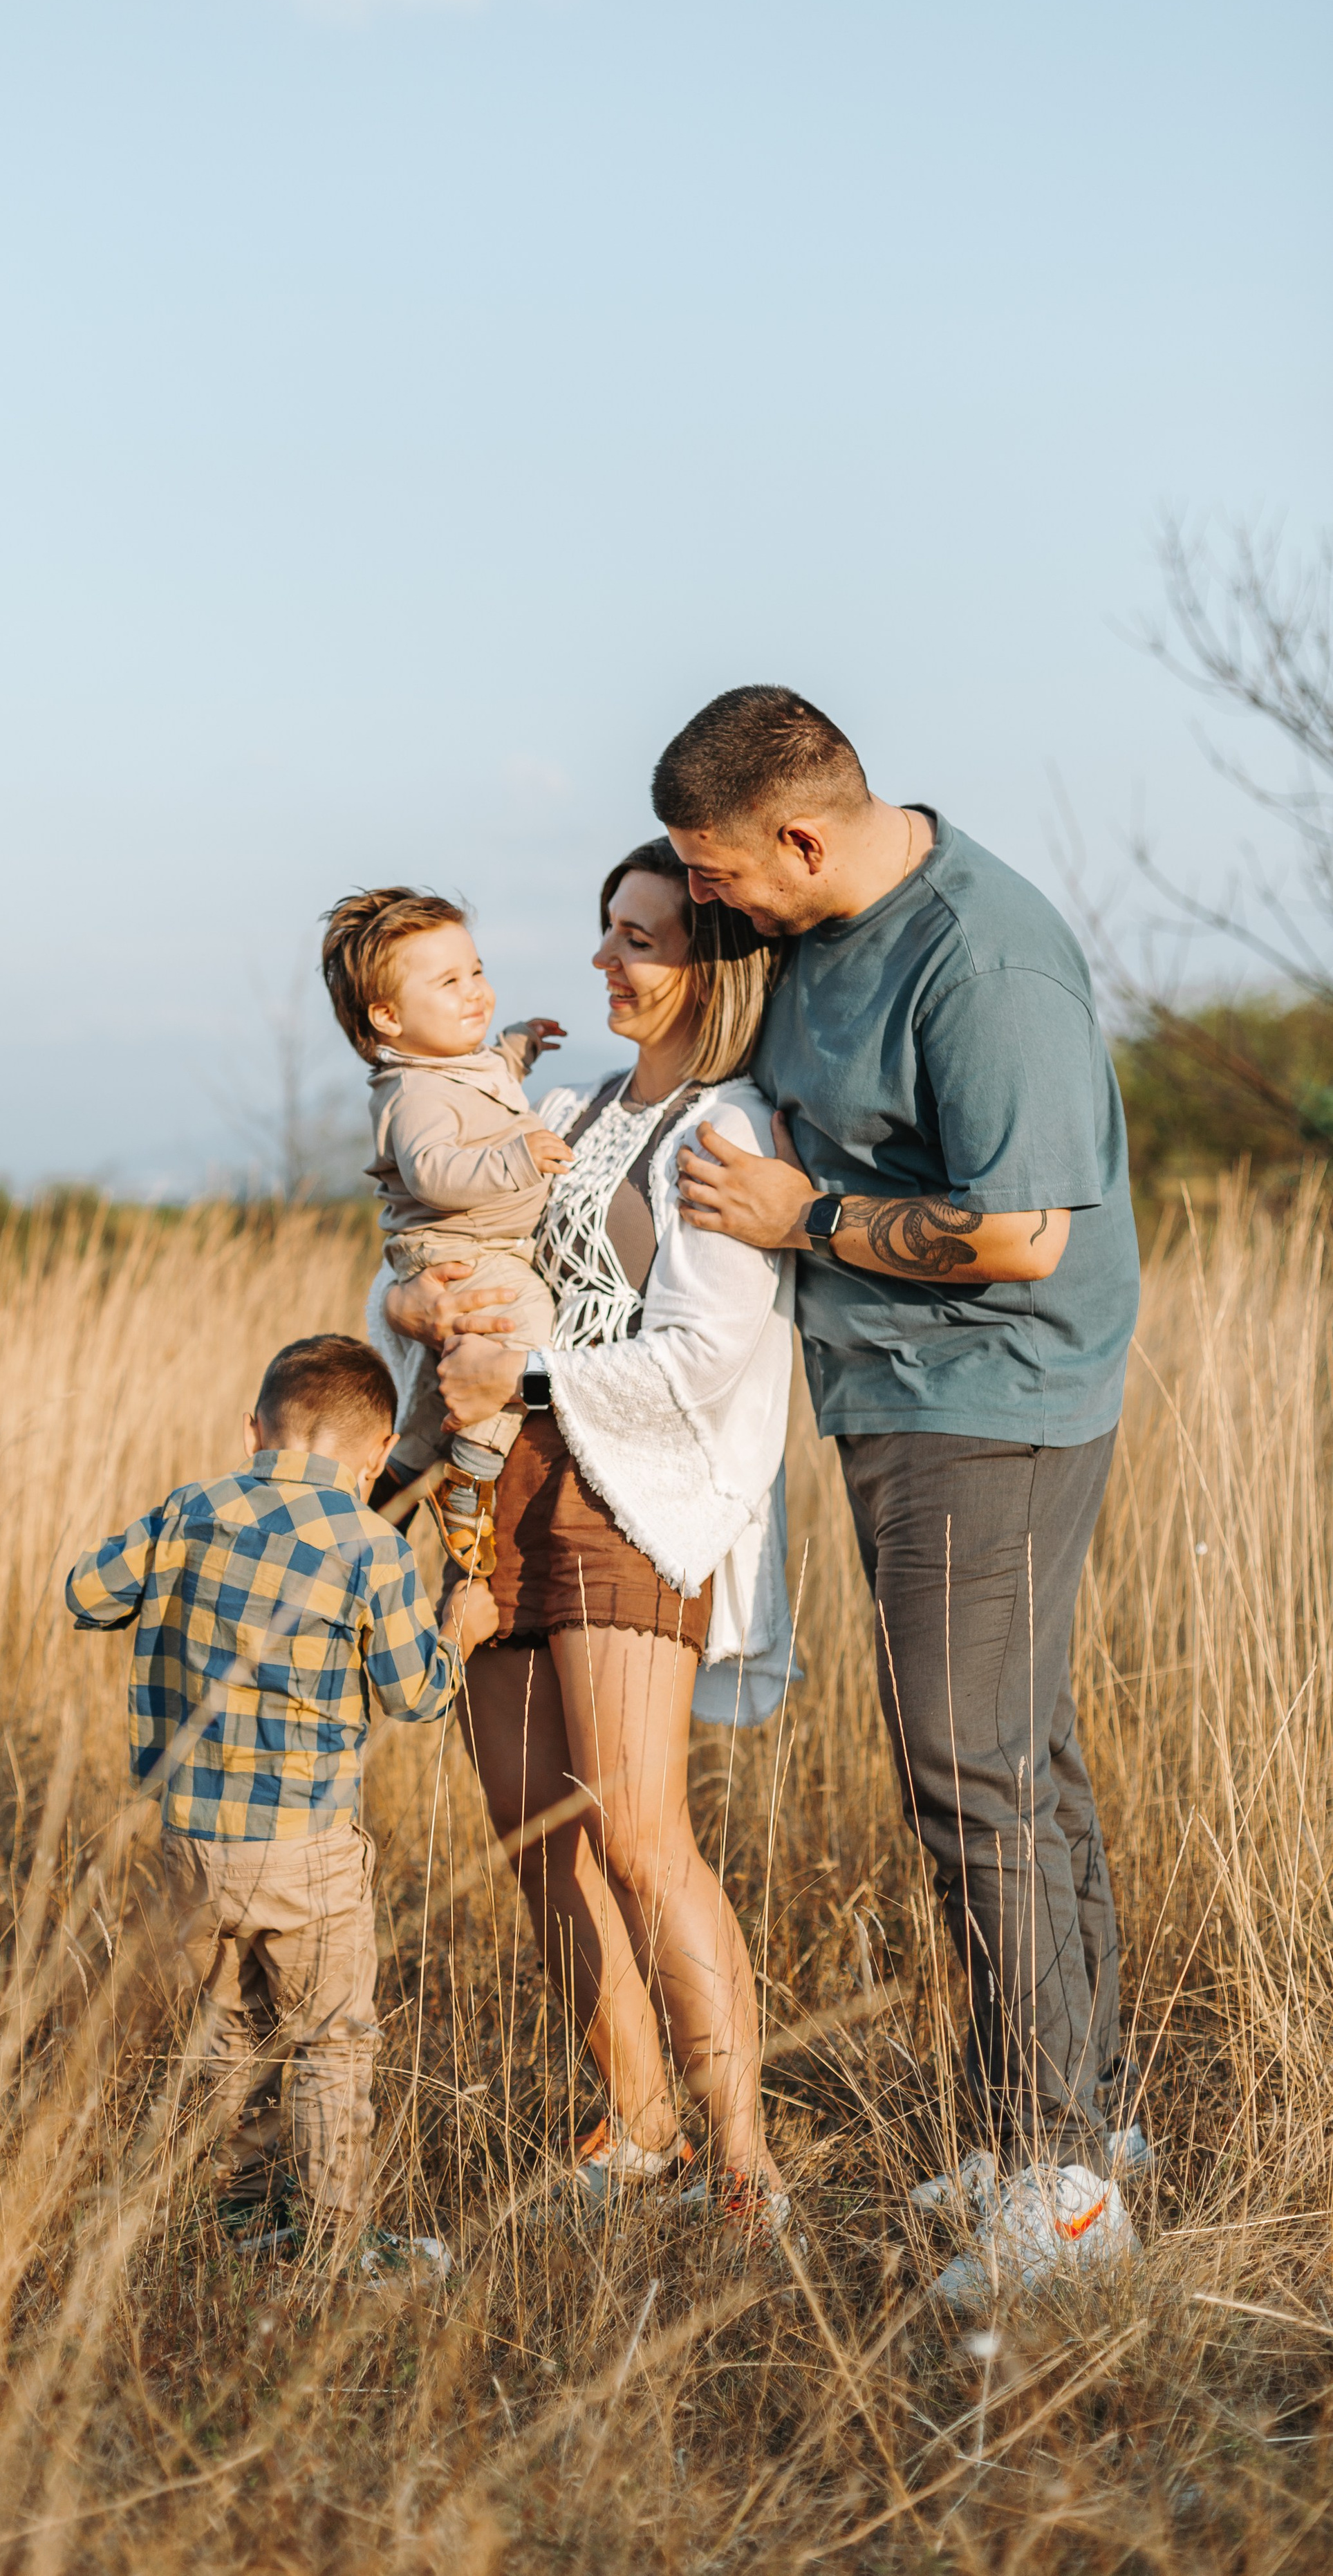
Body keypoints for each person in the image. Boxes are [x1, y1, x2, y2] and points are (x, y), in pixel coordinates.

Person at [655, 682, 1147, 2306]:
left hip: (992, 1400)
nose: (710, 896)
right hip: (896, 1395)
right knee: (1019, 1754)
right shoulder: (818, 925)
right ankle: (1084, 2127)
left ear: (799, 833)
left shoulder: (980, 961)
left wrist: (802, 1218)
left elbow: (1018, 1237)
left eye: (715, 869)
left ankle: (1059, 2181)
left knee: (969, 1774)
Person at [374, 840, 796, 2228]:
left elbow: (703, 1359)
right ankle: (635, 2126)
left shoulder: (725, 1132)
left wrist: (528, 1380)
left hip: (630, 1496)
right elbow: (445, 1250)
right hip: (496, 1492)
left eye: (643, 940)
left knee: (632, 1829)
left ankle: (741, 2164)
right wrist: (416, 1316)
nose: (609, 962)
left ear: (710, 963)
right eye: (607, 932)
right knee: (531, 1828)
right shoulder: (562, 1099)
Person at [65, 1333, 499, 2271]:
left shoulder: (190, 1509)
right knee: (329, 2043)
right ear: (378, 1456)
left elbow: (87, 1596)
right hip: (306, 1850)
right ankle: (337, 2246)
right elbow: (418, 1697)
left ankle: (244, 2217)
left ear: (256, 1429)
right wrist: (457, 1631)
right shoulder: (372, 1546)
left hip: (190, 1846)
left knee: (226, 2038)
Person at [321, 886, 570, 1573]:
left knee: (431, 1403)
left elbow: (490, 1079)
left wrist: (520, 1046)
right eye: (450, 982)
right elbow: (434, 1172)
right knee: (521, 1318)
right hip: (459, 1252)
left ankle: (390, 1495)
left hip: (468, 1248)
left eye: (477, 971)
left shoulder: (453, 1065)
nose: (475, 993)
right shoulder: (413, 1095)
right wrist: (517, 1158)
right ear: (388, 1017)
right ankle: (472, 1473)